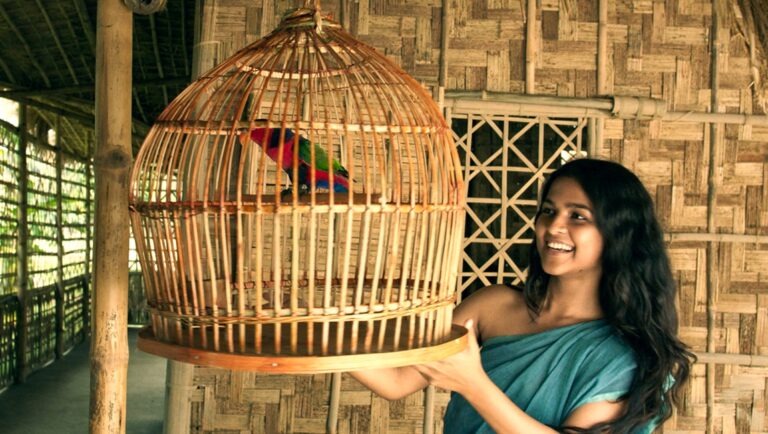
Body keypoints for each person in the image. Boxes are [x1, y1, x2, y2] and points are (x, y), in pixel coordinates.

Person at [351, 158, 695, 433]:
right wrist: (315, 332)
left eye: (577, 216)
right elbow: (396, 381)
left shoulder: (624, 356)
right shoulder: (493, 306)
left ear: (618, 234)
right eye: (548, 211)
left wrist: (474, 385)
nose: (553, 226)